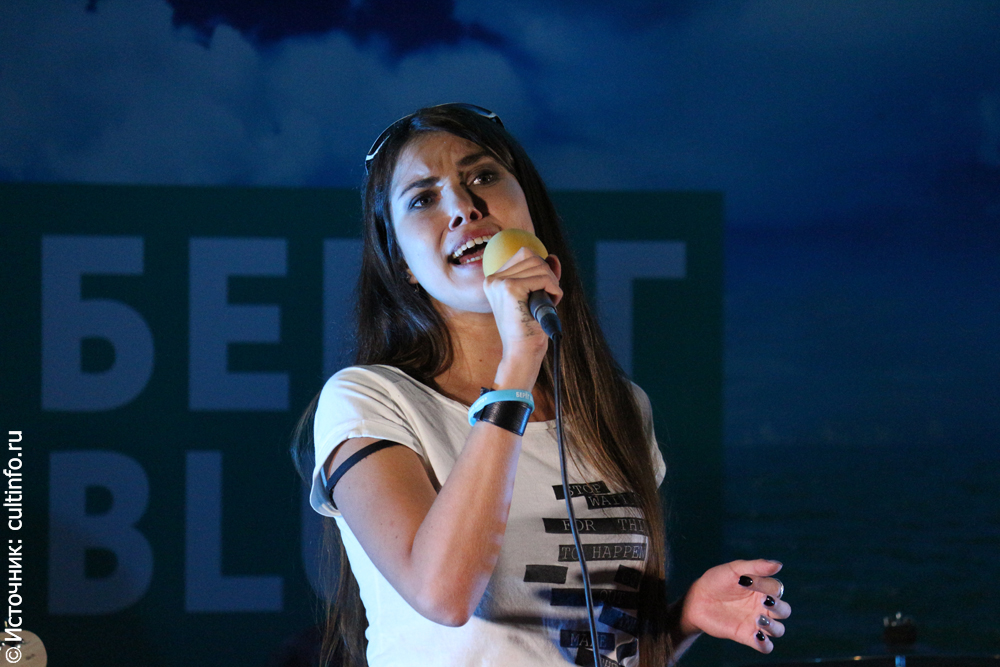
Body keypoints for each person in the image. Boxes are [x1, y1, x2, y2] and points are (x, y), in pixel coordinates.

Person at [292, 103, 790, 667]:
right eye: (423, 199)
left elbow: (610, 650)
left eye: (483, 176)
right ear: (401, 261)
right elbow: (444, 596)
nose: (464, 207)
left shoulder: (620, 406)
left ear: (530, 211)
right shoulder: (368, 401)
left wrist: (681, 622)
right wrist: (518, 366)